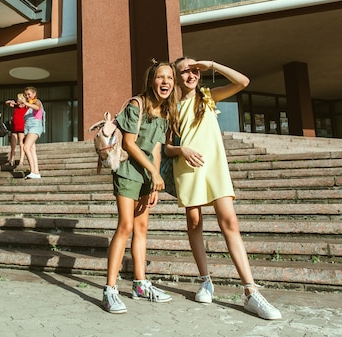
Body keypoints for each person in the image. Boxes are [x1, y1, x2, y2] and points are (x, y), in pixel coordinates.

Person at [163, 57, 282, 320]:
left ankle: (251, 292)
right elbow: (166, 147)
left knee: (230, 221)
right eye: (186, 71)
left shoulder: (208, 97)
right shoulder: (171, 107)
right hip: (188, 167)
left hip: (214, 167)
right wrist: (181, 149)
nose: (192, 75)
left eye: (195, 71)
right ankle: (205, 280)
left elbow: (243, 82)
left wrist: (212, 65)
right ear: (176, 75)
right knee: (194, 223)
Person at [102, 60, 179, 314]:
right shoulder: (137, 104)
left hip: (146, 176)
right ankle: (110, 290)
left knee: (142, 228)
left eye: (169, 78)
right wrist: (155, 172)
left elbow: (156, 148)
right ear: (151, 81)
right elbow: (130, 143)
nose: (165, 81)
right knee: (125, 225)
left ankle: (140, 285)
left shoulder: (165, 112)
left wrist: (155, 183)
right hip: (127, 172)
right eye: (160, 77)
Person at [17, 87, 44, 179]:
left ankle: (33, 171)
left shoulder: (37, 101)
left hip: (35, 126)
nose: (27, 96)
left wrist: (25, 102)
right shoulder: (29, 104)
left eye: (29, 94)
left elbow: (37, 107)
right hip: (28, 127)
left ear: (34, 94)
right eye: (26, 95)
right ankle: (36, 171)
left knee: (26, 147)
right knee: (32, 149)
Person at [5, 96, 27, 167]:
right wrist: (13, 102)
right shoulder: (16, 106)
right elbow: (7, 103)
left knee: (21, 144)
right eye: (18, 101)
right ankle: (11, 160)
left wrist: (23, 103)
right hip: (14, 128)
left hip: (22, 128)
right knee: (13, 145)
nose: (20, 103)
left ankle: (21, 161)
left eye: (21, 101)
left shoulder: (26, 107)